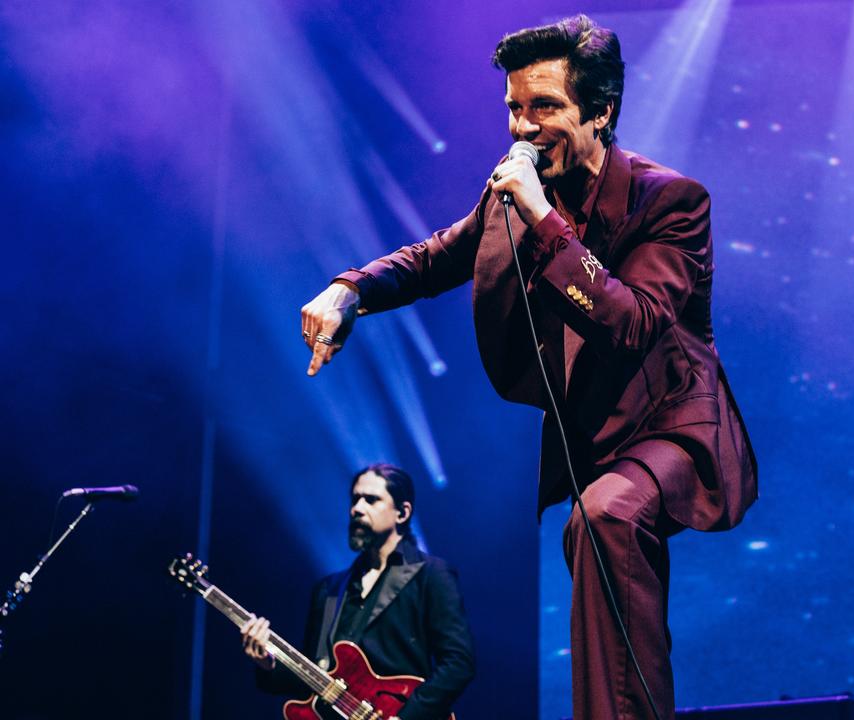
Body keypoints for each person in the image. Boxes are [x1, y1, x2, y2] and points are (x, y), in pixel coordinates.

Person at [299, 14, 757, 719]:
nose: (521, 127)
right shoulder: (511, 197)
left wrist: (545, 219)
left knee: (603, 516)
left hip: (672, 427)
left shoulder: (669, 200)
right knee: (592, 529)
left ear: (600, 111)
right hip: (594, 437)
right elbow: (434, 258)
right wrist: (351, 290)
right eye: (514, 107)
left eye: (544, 107)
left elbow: (630, 323)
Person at [242, 463, 475, 720]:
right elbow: (313, 676)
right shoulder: (329, 590)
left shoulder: (431, 575)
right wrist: (268, 664)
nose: (357, 509)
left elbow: (458, 663)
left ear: (402, 513)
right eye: (355, 499)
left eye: (371, 500)